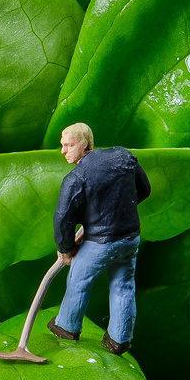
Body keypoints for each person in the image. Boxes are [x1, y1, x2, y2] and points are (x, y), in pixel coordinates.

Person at [49, 123, 150, 353]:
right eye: (62, 146)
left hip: (100, 244)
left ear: (84, 144)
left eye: (68, 145)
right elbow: (144, 189)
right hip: (130, 239)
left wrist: (66, 248)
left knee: (78, 281)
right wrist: (122, 211)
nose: (63, 151)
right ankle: (119, 339)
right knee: (124, 286)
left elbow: (63, 218)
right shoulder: (123, 156)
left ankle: (67, 326)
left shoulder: (76, 178)